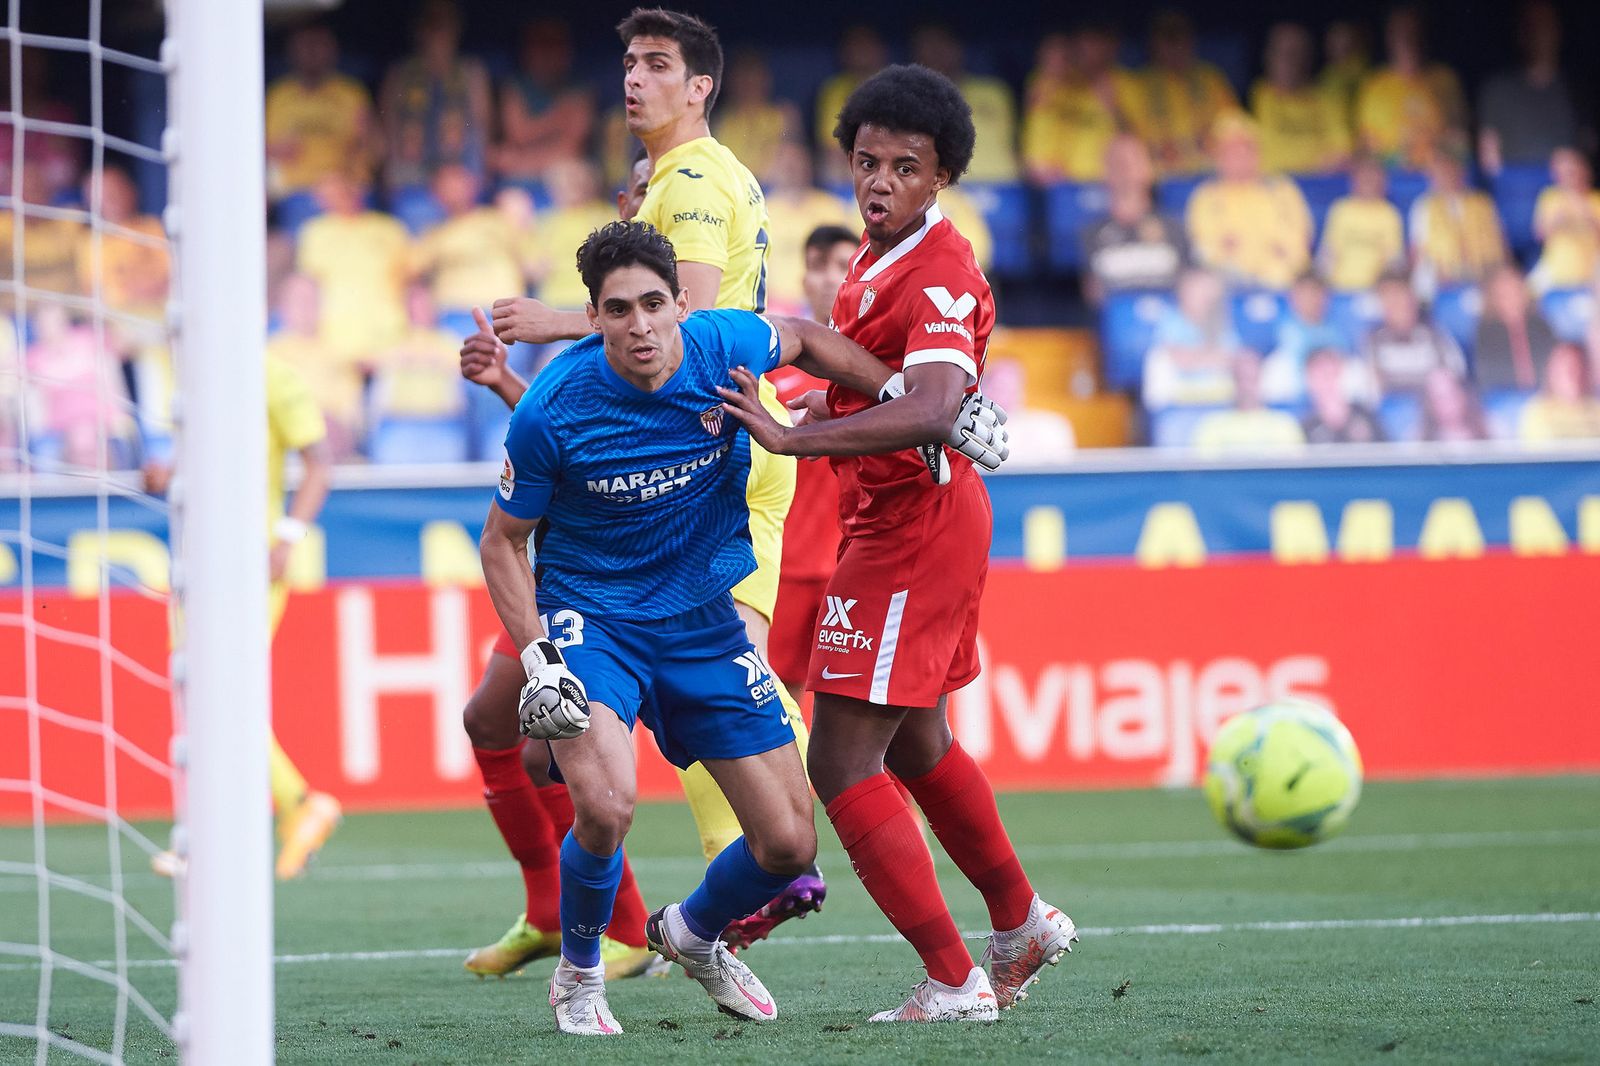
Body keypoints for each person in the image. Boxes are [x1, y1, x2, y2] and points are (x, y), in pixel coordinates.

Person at [475, 220, 1002, 1035]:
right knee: (607, 805)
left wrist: (910, 398)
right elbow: (503, 542)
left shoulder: (725, 345)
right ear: (595, 317)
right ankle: (581, 973)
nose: (641, 325)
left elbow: (808, 339)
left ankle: (691, 932)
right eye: (619, 311)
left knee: (791, 846)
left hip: (702, 618)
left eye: (655, 304)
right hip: (596, 617)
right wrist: (542, 660)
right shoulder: (551, 407)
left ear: (681, 303)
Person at [466, 8, 828, 980]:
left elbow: (691, 329)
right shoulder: (669, 180)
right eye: (627, 62)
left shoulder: (700, 180)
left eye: (658, 64)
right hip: (646, 473)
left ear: (699, 86)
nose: (635, 79)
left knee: (695, 684)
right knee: (509, 722)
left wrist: (554, 323)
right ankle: (595, 913)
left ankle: (734, 878)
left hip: (704, 462)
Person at [719, 62, 1075, 1024]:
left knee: (839, 762)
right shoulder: (878, 259)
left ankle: (956, 981)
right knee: (918, 741)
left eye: (904, 167)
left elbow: (925, 405)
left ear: (941, 175)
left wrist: (795, 435)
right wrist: (794, 352)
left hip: (913, 531)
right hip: (896, 518)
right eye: (867, 161)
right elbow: (887, 383)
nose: (879, 181)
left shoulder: (946, 273)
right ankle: (1020, 921)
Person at [149, 356, 339, 879]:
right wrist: (168, 472)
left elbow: (320, 460)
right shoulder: (191, 370)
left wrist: (287, 535)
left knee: (220, 693)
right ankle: (282, 808)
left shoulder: (273, 372)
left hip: (250, 561)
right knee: (201, 692)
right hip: (196, 560)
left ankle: (228, 829)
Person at [1185, 111, 1314, 290]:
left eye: (1246, 147)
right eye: (1230, 149)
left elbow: (1297, 244)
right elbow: (1207, 251)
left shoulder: (1282, 189)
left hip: (1282, 284)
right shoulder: (1206, 196)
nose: (1240, 155)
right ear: (1217, 155)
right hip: (1229, 288)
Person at [296, 174, 412, 368]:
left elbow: (408, 276)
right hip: (335, 331)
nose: (336, 197)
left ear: (355, 191)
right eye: (326, 194)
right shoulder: (315, 231)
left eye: (340, 191)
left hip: (389, 327)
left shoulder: (388, 228)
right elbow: (309, 283)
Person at [379, 0, 492, 190]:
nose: (438, 32)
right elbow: (389, 129)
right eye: (431, 23)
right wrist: (391, 172)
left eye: (444, 24)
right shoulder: (399, 74)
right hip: (411, 169)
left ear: (456, 28)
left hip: (461, 169)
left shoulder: (472, 71)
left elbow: (483, 128)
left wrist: (477, 174)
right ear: (419, 29)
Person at [412, 164, 538, 332]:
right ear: (435, 194)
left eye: (458, 182)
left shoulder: (498, 220)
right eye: (445, 185)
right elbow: (413, 275)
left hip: (502, 310)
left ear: (473, 185)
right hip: (452, 314)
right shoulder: (433, 234)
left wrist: (520, 212)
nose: (453, 189)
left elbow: (533, 265)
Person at [264, 23, 374, 203]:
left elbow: (374, 149)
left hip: (344, 190)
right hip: (291, 191)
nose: (312, 52)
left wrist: (362, 140)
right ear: (292, 50)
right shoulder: (277, 96)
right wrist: (274, 149)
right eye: (306, 45)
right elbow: (253, 148)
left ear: (333, 50)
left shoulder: (352, 93)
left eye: (319, 45)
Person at [1478, 1, 1588, 176]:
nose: (1537, 34)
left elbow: (1585, 155)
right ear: (1520, 33)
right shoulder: (1498, 90)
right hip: (1515, 190)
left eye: (1544, 25)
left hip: (1563, 192)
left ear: (1558, 30)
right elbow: (1490, 160)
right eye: (1530, 25)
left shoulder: (1579, 91)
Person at [1021, 25, 1140, 184]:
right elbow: (1036, 106)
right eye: (1081, 44)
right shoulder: (1054, 81)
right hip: (1062, 183)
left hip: (1108, 182)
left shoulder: (1124, 83)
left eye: (1094, 42)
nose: (1085, 49)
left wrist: (1112, 105)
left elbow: (1135, 141)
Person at [1128, 10, 1238, 175]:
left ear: (1191, 40)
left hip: (1210, 174)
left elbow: (1234, 126)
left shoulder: (1211, 78)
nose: (1175, 46)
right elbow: (1130, 138)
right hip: (1160, 178)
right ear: (1153, 43)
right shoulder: (1138, 84)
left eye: (1180, 37)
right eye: (1167, 38)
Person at [1355, 7, 1466, 168]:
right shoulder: (1374, 86)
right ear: (1389, 37)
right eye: (1401, 33)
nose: (1409, 40)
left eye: (1415, 32)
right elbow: (1365, 148)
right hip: (1393, 181)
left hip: (1438, 178)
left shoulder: (1445, 80)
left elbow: (1461, 138)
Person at [1082, 135, 1188, 303]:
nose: (1124, 169)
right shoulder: (1090, 235)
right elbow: (1094, 301)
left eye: (1132, 160)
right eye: (1117, 162)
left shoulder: (1175, 229)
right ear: (1104, 172)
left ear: (1150, 170)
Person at [493, 20, 596, 184]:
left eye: (554, 45)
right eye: (541, 45)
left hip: (562, 174)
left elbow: (572, 148)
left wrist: (522, 163)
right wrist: (558, 116)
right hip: (519, 176)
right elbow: (518, 134)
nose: (547, 53)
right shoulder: (514, 85)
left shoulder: (580, 90)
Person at [910, 26, 1018, 183]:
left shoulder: (994, 91)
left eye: (942, 44)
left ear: (957, 48)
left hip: (1002, 189)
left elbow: (1014, 145)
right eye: (928, 46)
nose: (936, 53)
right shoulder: (905, 100)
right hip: (943, 192)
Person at [760, 142, 855, 314]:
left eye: (797, 164)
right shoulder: (765, 209)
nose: (792, 170)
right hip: (775, 305)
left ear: (808, 167)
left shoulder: (829, 207)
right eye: (787, 165)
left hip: (822, 299)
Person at [1251, 23, 1351, 175]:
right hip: (1268, 187)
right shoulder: (1254, 96)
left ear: (1308, 58)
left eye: (1296, 53)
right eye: (1281, 52)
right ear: (1268, 56)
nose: (1288, 61)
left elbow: (1341, 152)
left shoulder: (1327, 101)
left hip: (1316, 187)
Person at [1408, 151, 1508, 299]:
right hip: (1441, 273)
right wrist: (1439, 274)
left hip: (1483, 269)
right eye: (1440, 173)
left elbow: (1500, 242)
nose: (1446, 177)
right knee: (1422, 281)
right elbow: (1417, 250)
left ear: (1461, 174)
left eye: (1450, 172)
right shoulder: (1424, 206)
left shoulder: (1483, 203)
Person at [1143, 267, 1243, 409]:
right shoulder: (1170, 319)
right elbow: (1175, 357)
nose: (1207, 296)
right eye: (1201, 290)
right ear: (1184, 292)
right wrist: (1209, 358)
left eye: (1210, 291)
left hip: (1217, 392)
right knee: (1159, 360)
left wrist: (1199, 358)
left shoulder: (1222, 324)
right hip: (1179, 391)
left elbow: (1233, 358)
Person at [1363, 271, 1467, 394]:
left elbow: (1457, 379)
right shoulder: (1373, 340)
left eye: (1400, 295)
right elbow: (1370, 389)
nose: (1396, 304)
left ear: (1412, 298)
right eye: (1388, 299)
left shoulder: (1435, 336)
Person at [1318, 155, 1405, 292]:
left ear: (1382, 182)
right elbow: (1328, 253)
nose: (1368, 182)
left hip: (1376, 291)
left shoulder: (1389, 214)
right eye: (1364, 176)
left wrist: (1384, 289)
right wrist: (1323, 286)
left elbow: (1394, 261)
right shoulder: (1341, 209)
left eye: (1372, 176)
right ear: (1354, 180)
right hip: (1339, 288)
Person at [714, 49, 801, 185]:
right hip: (734, 188)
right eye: (742, 76)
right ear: (730, 81)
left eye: (754, 75)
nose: (749, 82)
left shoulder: (784, 113)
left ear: (766, 78)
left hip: (775, 190)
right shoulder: (720, 120)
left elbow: (794, 160)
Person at [1192, 352, 1306, 455]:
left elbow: (1292, 471)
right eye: (1240, 378)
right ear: (1232, 381)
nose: (1246, 386)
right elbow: (1205, 471)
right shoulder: (1212, 425)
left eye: (1252, 378)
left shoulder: (1284, 424)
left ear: (1262, 380)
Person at [1473, 265, 1557, 391]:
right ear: (1494, 297)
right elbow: (1487, 376)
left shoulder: (1543, 325)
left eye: (1516, 289)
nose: (1512, 297)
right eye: (1504, 293)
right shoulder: (1485, 334)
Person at [1530, 147, 1600, 293]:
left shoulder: (1596, 200)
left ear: (1583, 170)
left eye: (1571, 171)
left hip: (1592, 270)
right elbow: (1539, 235)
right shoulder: (1549, 197)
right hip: (1555, 267)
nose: (1567, 176)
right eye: (1561, 171)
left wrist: (1589, 218)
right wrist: (1557, 220)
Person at [1301, 347, 1385, 443]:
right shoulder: (1306, 427)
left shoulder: (1366, 416)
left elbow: (1387, 451)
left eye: (1332, 374)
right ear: (1309, 380)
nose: (1328, 382)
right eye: (1321, 376)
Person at [1519, 341, 1600, 440]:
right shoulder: (1537, 411)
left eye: (1580, 368)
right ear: (1554, 374)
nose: (1576, 376)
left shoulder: (1597, 408)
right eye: (1569, 370)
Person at [1419, 365, 1490, 441]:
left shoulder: (1489, 428)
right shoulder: (1419, 439)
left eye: (1449, 395)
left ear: (1462, 394)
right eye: (1438, 398)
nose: (1445, 404)